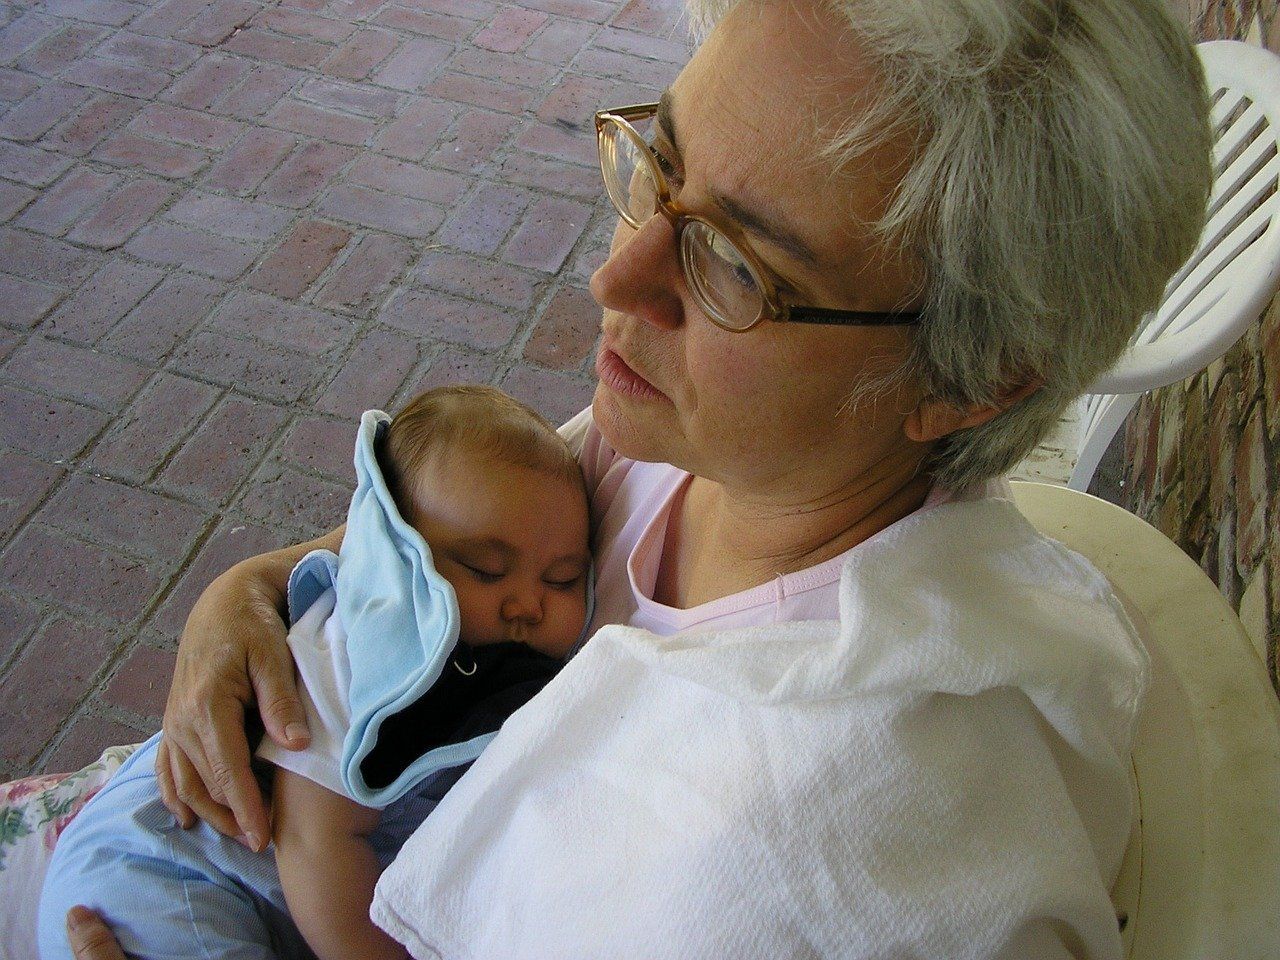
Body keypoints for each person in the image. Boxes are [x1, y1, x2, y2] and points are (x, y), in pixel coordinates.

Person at [49, 0, 1213, 956]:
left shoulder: (819, 866)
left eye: (735, 265)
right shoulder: (709, 459)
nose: (619, 275)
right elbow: (441, 552)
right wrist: (244, 597)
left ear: (966, 385)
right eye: (661, 162)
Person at [37, 386, 592, 960]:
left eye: (563, 579)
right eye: (485, 569)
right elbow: (313, 842)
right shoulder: (360, 658)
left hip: (282, 898)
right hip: (163, 866)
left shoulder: (494, 627)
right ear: (399, 556)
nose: (527, 603)